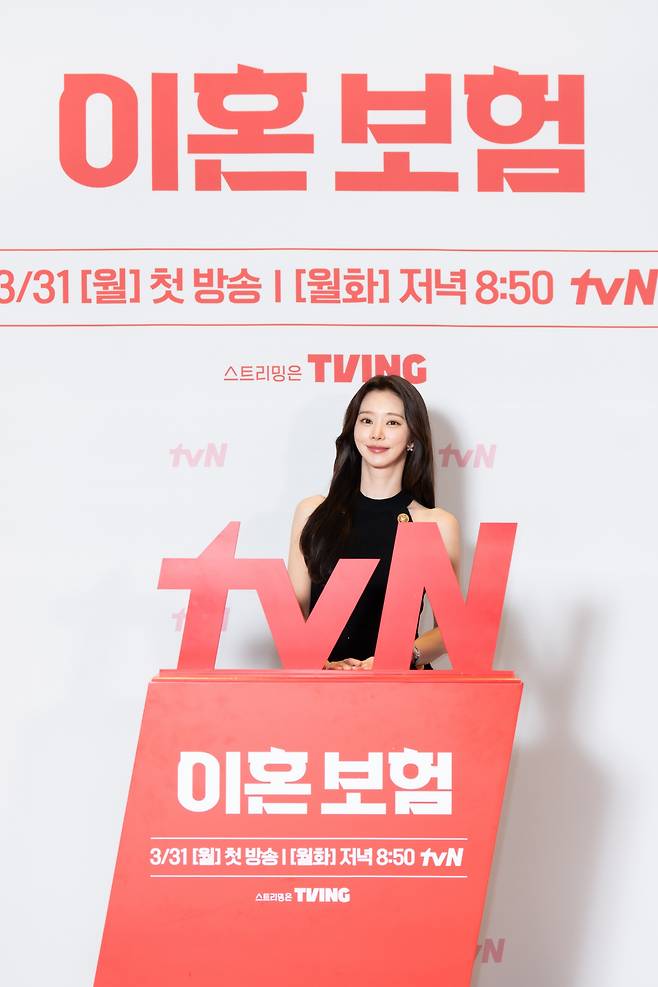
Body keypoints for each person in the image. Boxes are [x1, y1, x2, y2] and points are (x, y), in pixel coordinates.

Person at [287, 375, 460, 670]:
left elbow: (449, 630)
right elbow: (293, 615)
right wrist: (321, 665)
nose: (376, 434)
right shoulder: (312, 512)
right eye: (367, 420)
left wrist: (401, 657)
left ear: (412, 437)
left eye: (392, 423)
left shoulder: (436, 524)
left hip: (401, 687)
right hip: (324, 686)